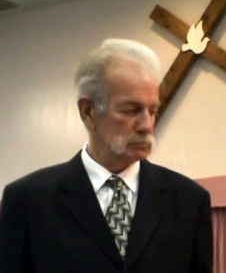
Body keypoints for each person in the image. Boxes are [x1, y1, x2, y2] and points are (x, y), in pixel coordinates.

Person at [0, 39, 213, 273]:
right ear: (88, 111)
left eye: (152, 111)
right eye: (131, 110)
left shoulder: (189, 201)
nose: (146, 125)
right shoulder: (27, 201)